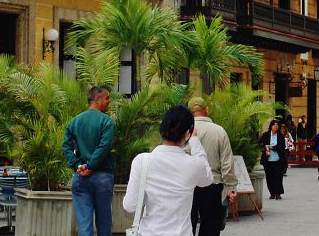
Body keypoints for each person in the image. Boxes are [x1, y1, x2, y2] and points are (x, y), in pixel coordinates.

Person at [123, 105, 213, 236]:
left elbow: (130, 206)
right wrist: (194, 140)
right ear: (187, 133)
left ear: (162, 129)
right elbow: (208, 179)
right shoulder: (194, 164)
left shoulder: (141, 161)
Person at [62, 86, 115, 236]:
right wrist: (91, 166)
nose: (109, 101)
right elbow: (104, 147)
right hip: (102, 177)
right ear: (97, 100)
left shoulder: (75, 121)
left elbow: (66, 146)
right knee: (104, 224)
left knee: (84, 227)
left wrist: (78, 165)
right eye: (107, 98)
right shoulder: (107, 122)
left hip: (80, 177)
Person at [187, 97, 237, 236]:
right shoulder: (219, 131)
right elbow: (227, 162)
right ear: (206, 110)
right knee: (210, 225)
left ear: (189, 112)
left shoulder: (183, 131)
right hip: (212, 184)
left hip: (187, 185)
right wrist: (231, 187)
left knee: (186, 225)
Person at [259, 120, 286, 200]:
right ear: (271, 126)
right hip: (268, 160)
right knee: (269, 177)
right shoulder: (266, 135)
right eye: (274, 125)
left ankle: (278, 193)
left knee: (278, 176)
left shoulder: (280, 136)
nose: (275, 126)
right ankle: (272, 193)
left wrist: (273, 147)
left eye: (277, 125)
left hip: (278, 160)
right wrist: (265, 147)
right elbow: (259, 143)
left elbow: (282, 146)